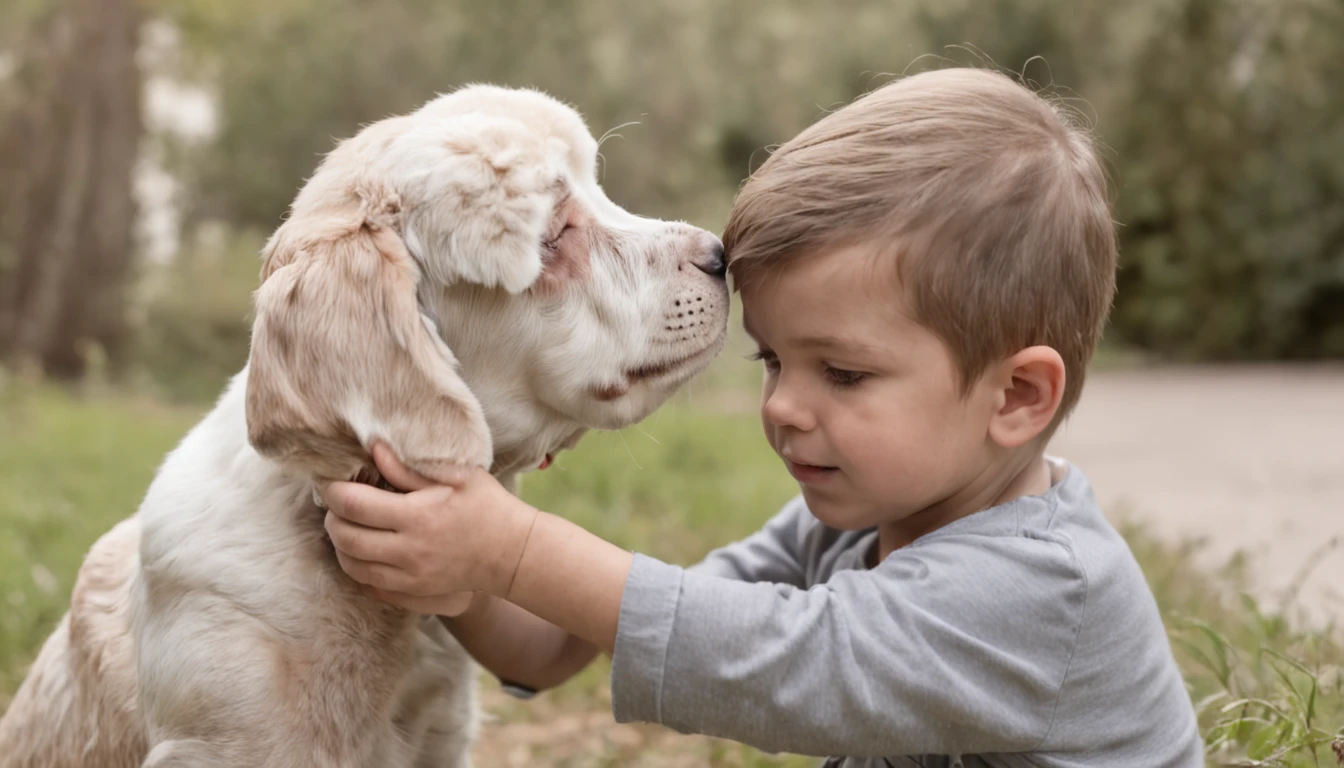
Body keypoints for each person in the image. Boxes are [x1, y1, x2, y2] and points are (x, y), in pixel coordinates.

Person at [321, 66, 1204, 767]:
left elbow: (790, 662)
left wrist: (513, 547)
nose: (782, 405)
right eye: (775, 360)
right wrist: (458, 574)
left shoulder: (1045, 586)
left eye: (845, 374)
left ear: (1015, 398)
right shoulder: (847, 529)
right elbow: (554, 647)